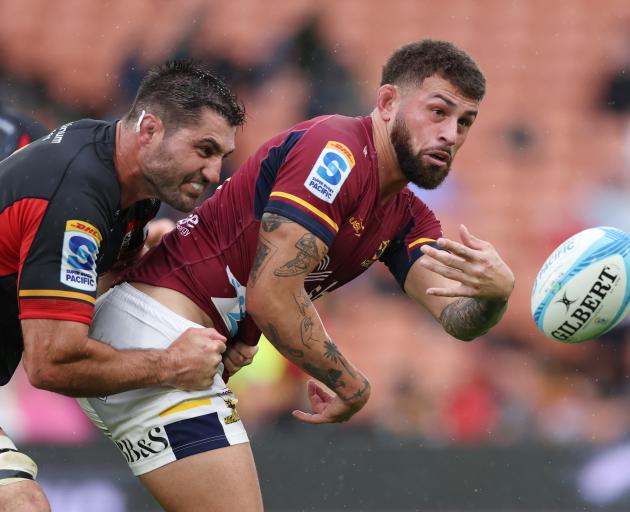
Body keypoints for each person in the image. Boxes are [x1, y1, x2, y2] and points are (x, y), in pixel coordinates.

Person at [78, 39, 515, 511]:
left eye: (464, 122)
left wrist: (496, 295)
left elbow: (455, 318)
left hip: (174, 346)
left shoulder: (408, 217)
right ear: (387, 102)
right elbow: (273, 295)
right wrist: (352, 384)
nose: (451, 134)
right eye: (438, 112)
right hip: (155, 333)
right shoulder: (337, 152)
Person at [0, 61, 246, 511]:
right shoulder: (73, 195)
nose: (213, 173)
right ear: (150, 129)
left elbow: (61, 288)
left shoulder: (132, 182)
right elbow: (50, 363)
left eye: (221, 158)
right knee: (20, 504)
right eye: (204, 149)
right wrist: (173, 364)